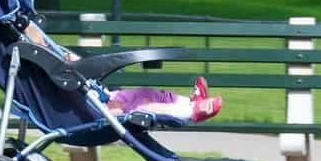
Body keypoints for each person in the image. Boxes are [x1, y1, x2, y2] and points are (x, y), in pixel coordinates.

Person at [22, 22, 222, 124]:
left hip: (108, 97)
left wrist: (71, 59)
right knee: (149, 104)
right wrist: (118, 112)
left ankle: (190, 102)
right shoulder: (59, 78)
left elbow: (47, 45)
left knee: (150, 93)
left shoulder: (60, 71)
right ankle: (190, 111)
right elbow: (93, 110)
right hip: (109, 109)